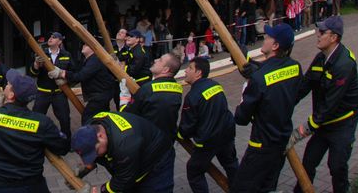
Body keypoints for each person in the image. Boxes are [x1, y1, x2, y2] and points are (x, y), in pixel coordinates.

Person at [292, 16, 358, 193]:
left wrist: (303, 131)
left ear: (334, 38)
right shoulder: (320, 59)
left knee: (337, 166)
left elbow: (331, 104)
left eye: (322, 32)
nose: (318, 34)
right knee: (308, 162)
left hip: (343, 122)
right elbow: (303, 86)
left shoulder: (344, 63)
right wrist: (285, 105)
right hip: (324, 120)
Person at [231, 23, 303, 193]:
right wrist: (249, 62)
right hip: (281, 144)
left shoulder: (258, 80)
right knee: (267, 188)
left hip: (260, 148)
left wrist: (246, 90)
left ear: (276, 46)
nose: (265, 38)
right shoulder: (295, 68)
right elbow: (274, 72)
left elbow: (241, 119)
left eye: (269, 37)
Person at [0, 69, 70, 192]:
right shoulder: (41, 123)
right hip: (31, 185)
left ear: (11, 95)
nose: (5, 85)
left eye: (8, 84)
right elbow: (63, 147)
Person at [121, 52, 183, 191]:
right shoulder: (177, 88)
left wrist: (124, 98)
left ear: (166, 69)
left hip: (147, 148)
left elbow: (127, 115)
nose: (155, 59)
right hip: (166, 146)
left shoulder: (147, 89)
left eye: (160, 60)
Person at [179, 57, 239, 193]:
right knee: (231, 164)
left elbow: (187, 126)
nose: (185, 71)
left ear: (198, 73)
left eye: (189, 68)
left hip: (208, 141)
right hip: (226, 135)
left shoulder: (193, 96)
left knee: (194, 171)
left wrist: (179, 134)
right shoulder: (216, 85)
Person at [72, 110, 170, 193]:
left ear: (100, 136)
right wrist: (86, 168)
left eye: (96, 152)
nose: (95, 155)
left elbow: (123, 179)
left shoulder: (125, 144)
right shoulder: (91, 127)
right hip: (132, 155)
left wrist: (102, 190)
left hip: (157, 157)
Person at [28, 32, 74, 140]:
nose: (50, 38)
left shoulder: (66, 55)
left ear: (60, 41)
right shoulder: (41, 54)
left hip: (59, 92)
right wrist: (36, 65)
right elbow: (32, 74)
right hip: (42, 92)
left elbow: (73, 73)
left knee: (64, 119)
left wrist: (66, 80)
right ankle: (33, 139)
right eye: (50, 37)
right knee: (36, 118)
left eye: (54, 37)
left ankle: (67, 141)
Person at [61, 41, 119, 121]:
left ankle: (91, 132)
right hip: (100, 94)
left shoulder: (95, 60)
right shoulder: (88, 59)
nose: (83, 46)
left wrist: (64, 74)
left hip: (100, 95)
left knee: (87, 117)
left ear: (93, 49)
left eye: (86, 45)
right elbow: (79, 73)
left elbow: (82, 75)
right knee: (101, 118)